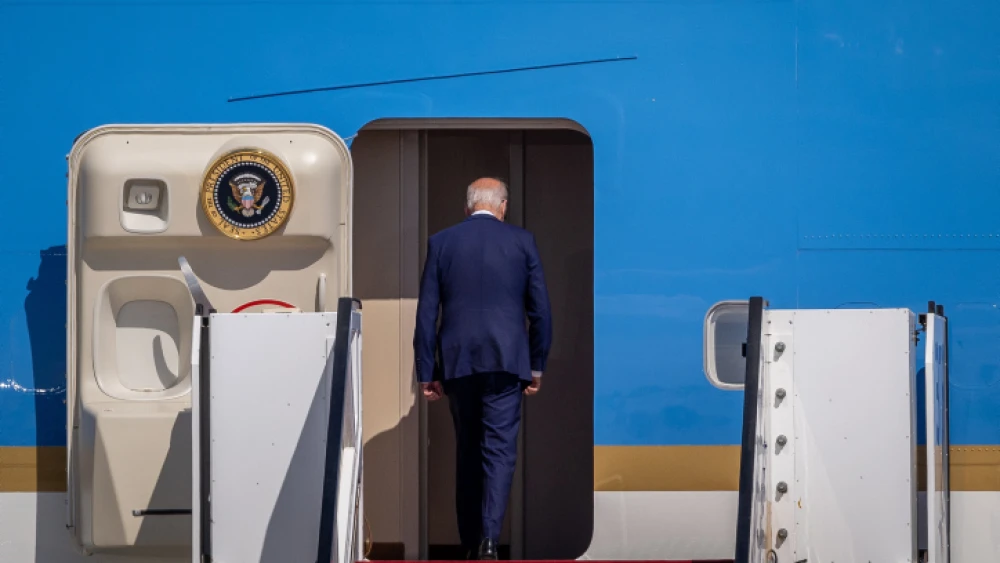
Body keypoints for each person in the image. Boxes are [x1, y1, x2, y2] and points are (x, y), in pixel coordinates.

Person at [413, 177, 552, 560]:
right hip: (507, 363)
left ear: (467, 206)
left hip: (457, 362)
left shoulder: (441, 242)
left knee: (468, 451)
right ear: (503, 206)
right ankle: (491, 540)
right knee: (499, 452)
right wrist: (536, 365)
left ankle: (469, 543)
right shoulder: (522, 242)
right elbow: (540, 310)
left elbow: (427, 313)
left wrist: (427, 370)